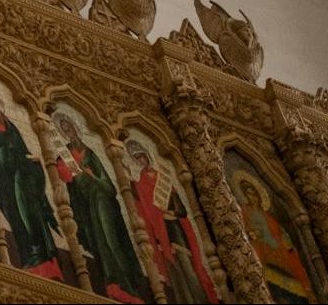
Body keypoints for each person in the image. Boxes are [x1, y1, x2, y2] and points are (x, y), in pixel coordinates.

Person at [53, 111, 149, 302]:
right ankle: (113, 284)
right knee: (100, 243)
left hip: (103, 202)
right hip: (87, 205)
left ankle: (128, 287)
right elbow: (66, 178)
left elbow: (109, 188)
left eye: (70, 127)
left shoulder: (90, 153)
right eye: (64, 130)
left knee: (111, 240)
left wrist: (90, 175)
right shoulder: (64, 154)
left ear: (75, 128)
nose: (68, 132)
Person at [0, 85, 63, 279]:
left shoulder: (8, 122)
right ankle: (30, 256)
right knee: (16, 214)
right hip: (6, 178)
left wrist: (33, 159)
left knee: (32, 213)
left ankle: (45, 258)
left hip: (22, 174)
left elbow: (20, 147)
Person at [126, 141, 217, 304]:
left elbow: (182, 210)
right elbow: (140, 200)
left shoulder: (164, 180)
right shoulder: (140, 183)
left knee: (188, 267)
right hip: (159, 231)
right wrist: (128, 179)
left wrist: (171, 213)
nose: (140, 161)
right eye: (136, 159)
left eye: (141, 157)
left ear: (148, 156)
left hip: (175, 229)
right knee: (174, 271)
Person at [234, 173, 312, 304]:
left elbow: (282, 237)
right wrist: (252, 233)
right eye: (249, 194)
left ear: (259, 196)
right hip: (261, 253)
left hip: (279, 253)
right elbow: (242, 231)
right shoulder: (244, 212)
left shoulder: (270, 218)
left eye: (254, 194)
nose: (253, 197)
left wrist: (286, 244)